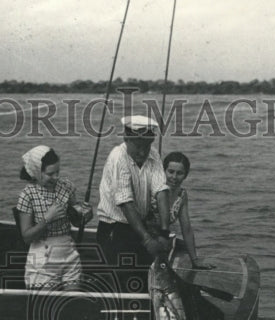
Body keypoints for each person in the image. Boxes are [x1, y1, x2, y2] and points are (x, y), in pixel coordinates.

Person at [94, 115, 172, 274]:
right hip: (114, 229)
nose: (143, 152)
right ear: (126, 138)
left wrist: (164, 232)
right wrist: (148, 239)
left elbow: (161, 191)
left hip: (138, 227)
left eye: (147, 145)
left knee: (145, 275)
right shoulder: (118, 157)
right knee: (121, 278)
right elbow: (125, 202)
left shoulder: (154, 154)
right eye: (137, 146)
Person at [15, 145, 92, 290]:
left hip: (69, 253)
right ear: (37, 172)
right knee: (44, 305)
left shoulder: (66, 186)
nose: (56, 177)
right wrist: (47, 219)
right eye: (50, 174)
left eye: (58, 172)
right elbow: (26, 237)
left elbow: (75, 220)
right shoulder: (27, 195)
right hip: (42, 258)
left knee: (72, 302)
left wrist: (84, 215)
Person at [152, 151, 215, 269]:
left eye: (179, 173)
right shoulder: (154, 189)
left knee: (185, 252)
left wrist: (195, 260)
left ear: (186, 175)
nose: (174, 177)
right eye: (170, 172)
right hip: (146, 239)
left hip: (164, 240)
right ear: (163, 171)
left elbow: (186, 229)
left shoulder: (182, 195)